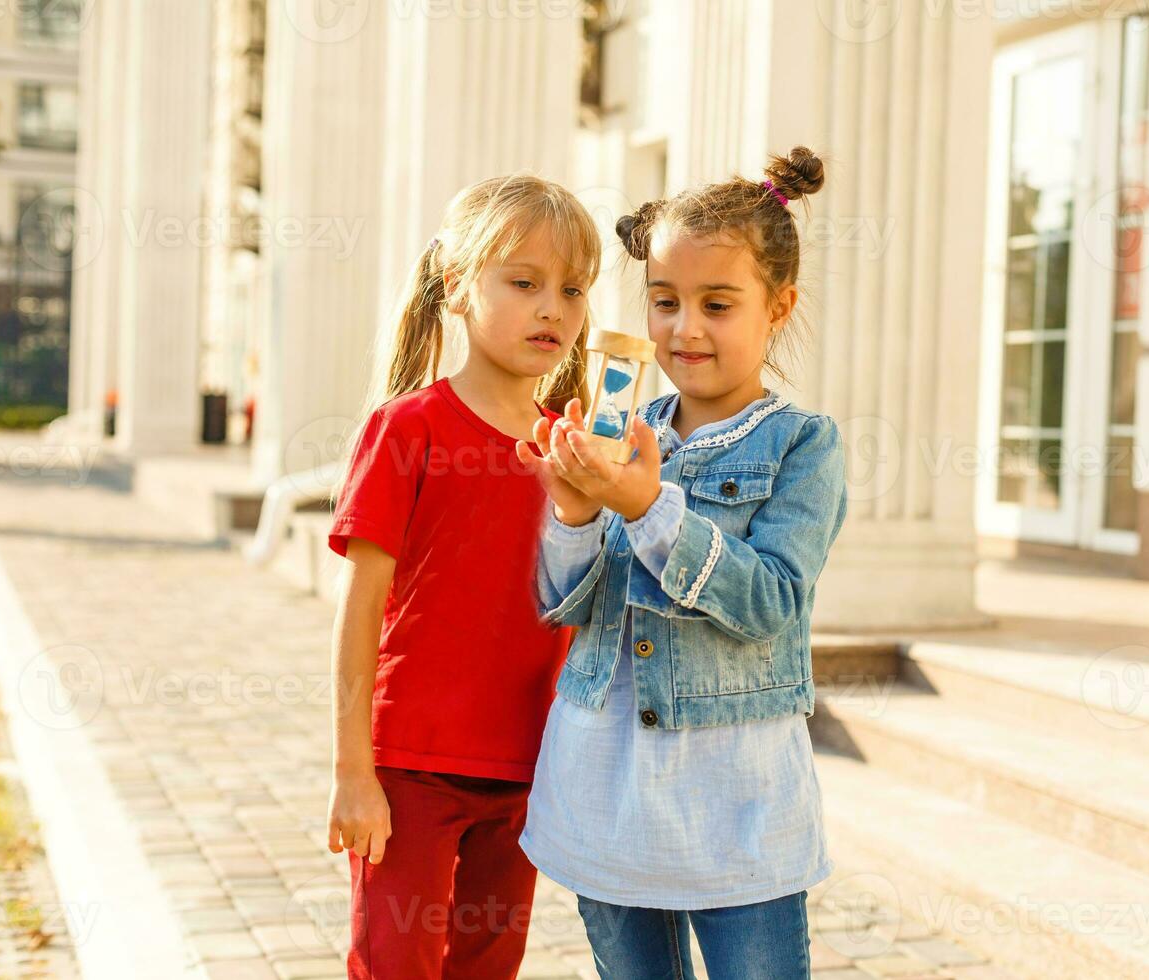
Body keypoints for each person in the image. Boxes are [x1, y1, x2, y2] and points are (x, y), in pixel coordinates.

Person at [514, 147, 850, 980]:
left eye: (717, 304)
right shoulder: (620, 426)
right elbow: (564, 606)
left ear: (779, 307)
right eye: (664, 302)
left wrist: (648, 509)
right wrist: (574, 510)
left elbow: (771, 600)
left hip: (737, 805)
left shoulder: (803, 445)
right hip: (608, 785)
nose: (684, 328)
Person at [325, 173, 601, 980]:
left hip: (526, 769)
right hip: (408, 769)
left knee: (489, 968)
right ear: (458, 287)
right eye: (524, 283)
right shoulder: (406, 429)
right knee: (395, 967)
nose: (552, 308)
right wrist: (353, 773)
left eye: (573, 289)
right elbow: (359, 615)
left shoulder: (571, 453)